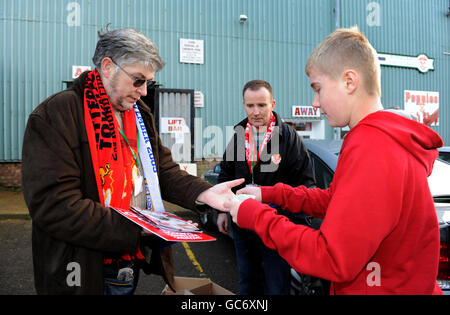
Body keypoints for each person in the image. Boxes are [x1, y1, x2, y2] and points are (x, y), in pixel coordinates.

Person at [21, 27, 243, 295]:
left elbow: (161, 170)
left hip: (127, 261)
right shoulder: (56, 115)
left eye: (148, 81)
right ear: (107, 67)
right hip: (81, 267)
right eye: (138, 80)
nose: (145, 91)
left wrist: (204, 192)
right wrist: (136, 228)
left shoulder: (138, 113)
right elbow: (54, 205)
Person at [224, 27, 444, 295]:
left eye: (318, 89)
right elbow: (335, 200)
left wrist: (254, 215)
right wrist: (267, 193)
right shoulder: (374, 139)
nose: (315, 102)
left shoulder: (373, 147)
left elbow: (332, 257)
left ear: (349, 82)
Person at [217, 80, 315, 295]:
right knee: (247, 282)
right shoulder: (238, 137)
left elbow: (304, 183)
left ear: (273, 104)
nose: (256, 112)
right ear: (243, 104)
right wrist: (222, 212)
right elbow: (226, 175)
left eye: (262, 105)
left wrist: (299, 226)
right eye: (250, 106)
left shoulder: (288, 138)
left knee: (276, 285)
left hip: (276, 224)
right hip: (242, 224)